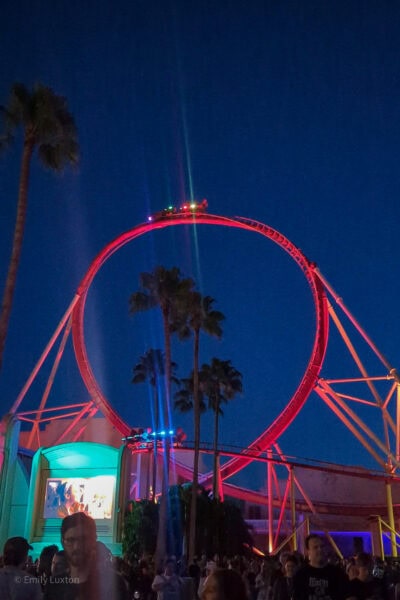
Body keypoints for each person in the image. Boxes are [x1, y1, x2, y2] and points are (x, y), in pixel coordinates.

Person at [45, 511, 130, 600]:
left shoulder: (113, 584)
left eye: (83, 539)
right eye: (70, 540)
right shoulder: (54, 585)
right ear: (63, 542)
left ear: (94, 540)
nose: (77, 547)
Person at [293, 535, 350, 600]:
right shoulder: (301, 575)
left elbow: (348, 596)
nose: (320, 549)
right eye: (315, 547)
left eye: (322, 546)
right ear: (308, 551)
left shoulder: (338, 573)